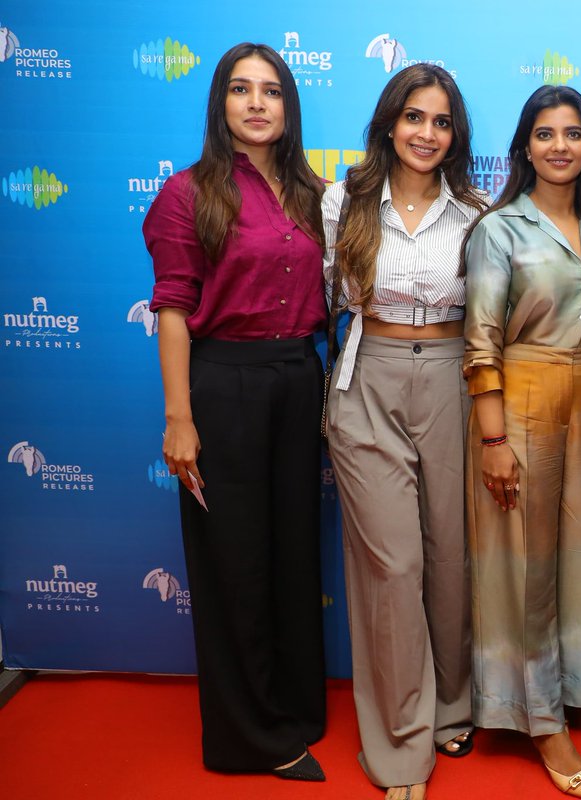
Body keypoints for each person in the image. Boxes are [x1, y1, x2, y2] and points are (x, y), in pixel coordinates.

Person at [144, 42, 328, 780]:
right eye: (241, 90)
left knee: (290, 552)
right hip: (224, 385)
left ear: (289, 108)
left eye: (272, 91)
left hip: (297, 377)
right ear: (220, 105)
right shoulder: (188, 193)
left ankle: (292, 709)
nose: (257, 103)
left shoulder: (312, 191)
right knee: (235, 564)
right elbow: (174, 311)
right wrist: (179, 416)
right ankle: (247, 737)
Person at [322, 64, 487, 800]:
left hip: (453, 377)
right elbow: (316, 295)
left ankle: (453, 703)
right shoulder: (344, 201)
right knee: (393, 566)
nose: (427, 132)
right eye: (414, 117)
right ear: (390, 123)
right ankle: (397, 748)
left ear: (456, 136)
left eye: (441, 121)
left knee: (450, 555)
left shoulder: (477, 213)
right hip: (369, 380)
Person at [462, 85, 581, 800]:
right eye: (546, 133)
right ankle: (541, 720)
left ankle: (571, 691)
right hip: (519, 397)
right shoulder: (501, 230)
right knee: (521, 568)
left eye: (574, 133)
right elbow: (481, 339)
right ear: (524, 147)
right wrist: (493, 436)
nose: (561, 146)